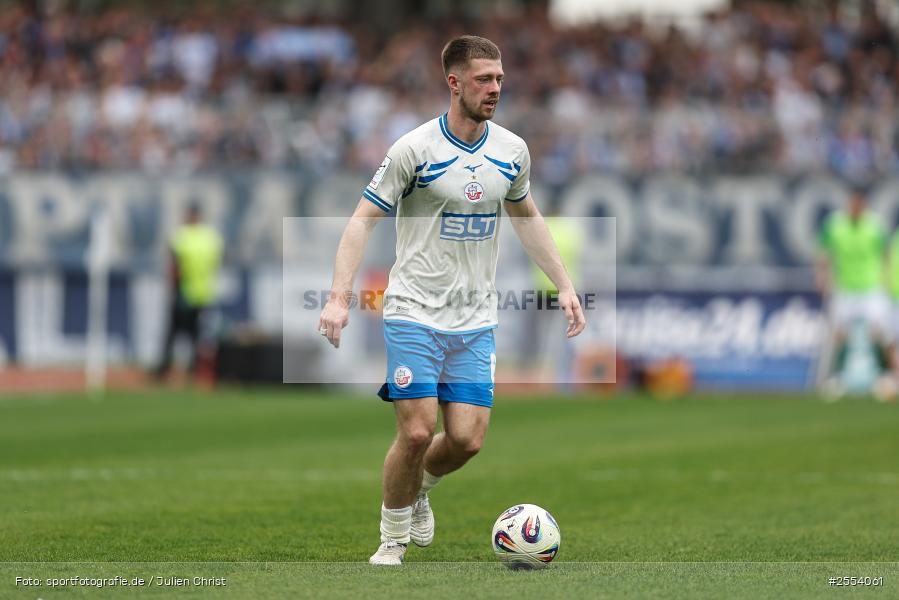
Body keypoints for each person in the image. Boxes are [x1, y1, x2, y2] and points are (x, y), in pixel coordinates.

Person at [318, 35, 586, 566]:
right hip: (413, 309)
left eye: (500, 79)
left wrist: (565, 284)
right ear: (454, 82)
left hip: (474, 317)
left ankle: (419, 490)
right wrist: (337, 298)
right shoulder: (413, 149)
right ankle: (391, 538)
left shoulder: (512, 151)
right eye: (485, 79)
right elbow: (361, 220)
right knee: (417, 430)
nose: (495, 89)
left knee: (465, 441)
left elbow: (527, 218)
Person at [816, 188, 891, 397]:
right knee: (840, 332)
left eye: (859, 204)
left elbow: (885, 253)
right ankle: (838, 377)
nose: (856, 208)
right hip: (845, 287)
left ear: (864, 205)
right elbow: (824, 251)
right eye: (853, 203)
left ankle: (883, 376)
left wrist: (885, 280)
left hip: (871, 286)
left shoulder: (875, 225)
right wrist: (822, 277)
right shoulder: (835, 224)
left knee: (879, 332)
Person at [154, 204, 223, 380]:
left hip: (184, 291)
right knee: (197, 334)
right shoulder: (211, 237)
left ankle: (165, 369)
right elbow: (217, 262)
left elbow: (175, 266)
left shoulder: (181, 236)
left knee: (173, 332)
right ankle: (195, 369)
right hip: (204, 293)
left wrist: (172, 285)